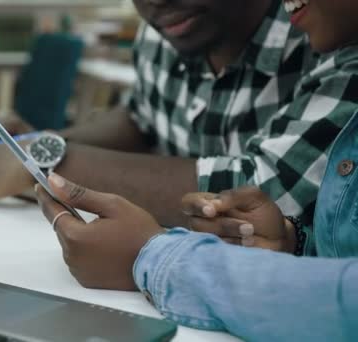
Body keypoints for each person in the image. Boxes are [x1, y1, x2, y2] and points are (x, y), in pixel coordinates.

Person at [35, 1, 358, 340]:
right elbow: (142, 117)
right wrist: (294, 243)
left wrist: (151, 254)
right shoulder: (170, 29)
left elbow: (344, 304)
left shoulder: (333, 49)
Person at [0, 0, 355, 228]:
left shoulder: (330, 32)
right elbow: (141, 117)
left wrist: (44, 160)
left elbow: (266, 191)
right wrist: (46, 138)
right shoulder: (173, 26)